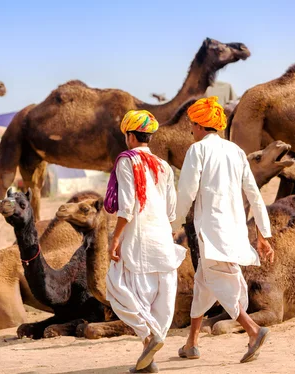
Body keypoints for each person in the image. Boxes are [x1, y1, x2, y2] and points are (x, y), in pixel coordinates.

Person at [171, 96, 275, 364]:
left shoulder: (197, 151)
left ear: (198, 124)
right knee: (203, 283)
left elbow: (186, 193)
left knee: (217, 280)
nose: (191, 129)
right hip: (234, 229)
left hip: (210, 230)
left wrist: (173, 225)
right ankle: (191, 343)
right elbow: (254, 194)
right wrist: (263, 234)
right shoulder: (236, 151)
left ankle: (253, 330)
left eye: (192, 124)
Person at [105, 110, 186, 373]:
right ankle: (148, 360)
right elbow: (171, 208)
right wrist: (169, 230)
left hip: (137, 237)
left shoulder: (126, 161)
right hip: (162, 234)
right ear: (149, 136)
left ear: (129, 136)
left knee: (116, 287)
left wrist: (115, 238)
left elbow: (127, 206)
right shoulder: (162, 165)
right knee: (160, 296)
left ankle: (150, 335)